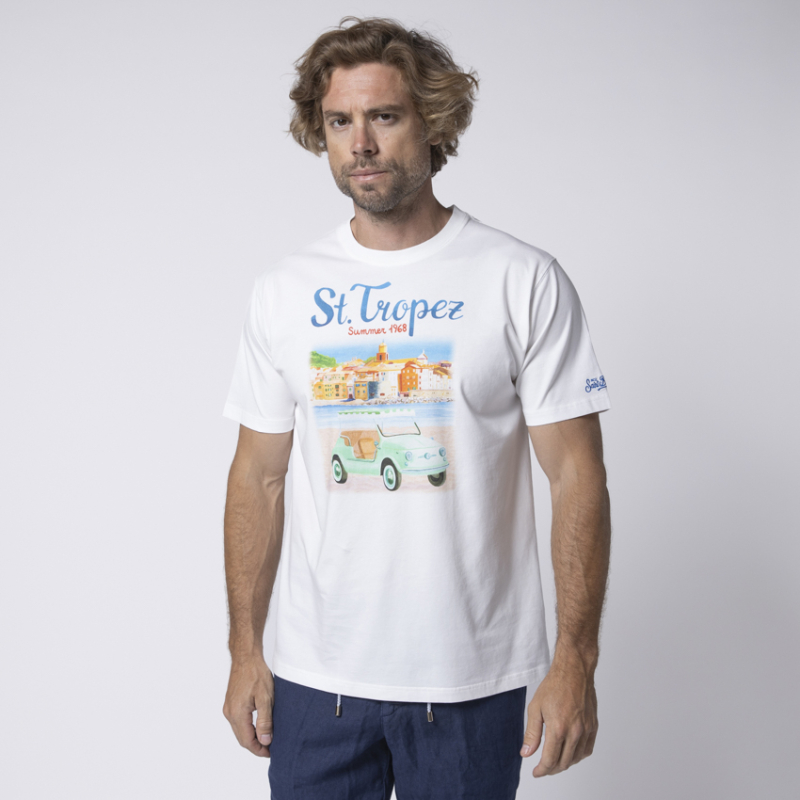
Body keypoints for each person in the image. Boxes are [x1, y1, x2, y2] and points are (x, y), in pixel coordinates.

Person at [221, 15, 611, 799]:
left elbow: (577, 477)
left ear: (433, 121)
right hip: (315, 680)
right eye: (340, 122)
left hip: (470, 683)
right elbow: (256, 479)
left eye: (384, 116)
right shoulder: (284, 291)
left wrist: (575, 660)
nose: (360, 143)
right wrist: (245, 651)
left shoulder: (520, 279)